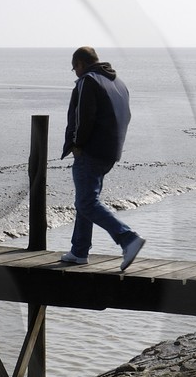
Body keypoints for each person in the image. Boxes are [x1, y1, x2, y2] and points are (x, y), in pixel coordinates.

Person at [59, 46, 145, 270]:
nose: (75, 73)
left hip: (91, 151)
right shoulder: (118, 83)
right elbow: (127, 115)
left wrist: (76, 144)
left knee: (86, 202)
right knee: (86, 200)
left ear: (80, 63)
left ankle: (128, 238)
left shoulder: (89, 81)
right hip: (110, 151)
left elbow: (83, 117)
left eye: (74, 68)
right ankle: (79, 251)